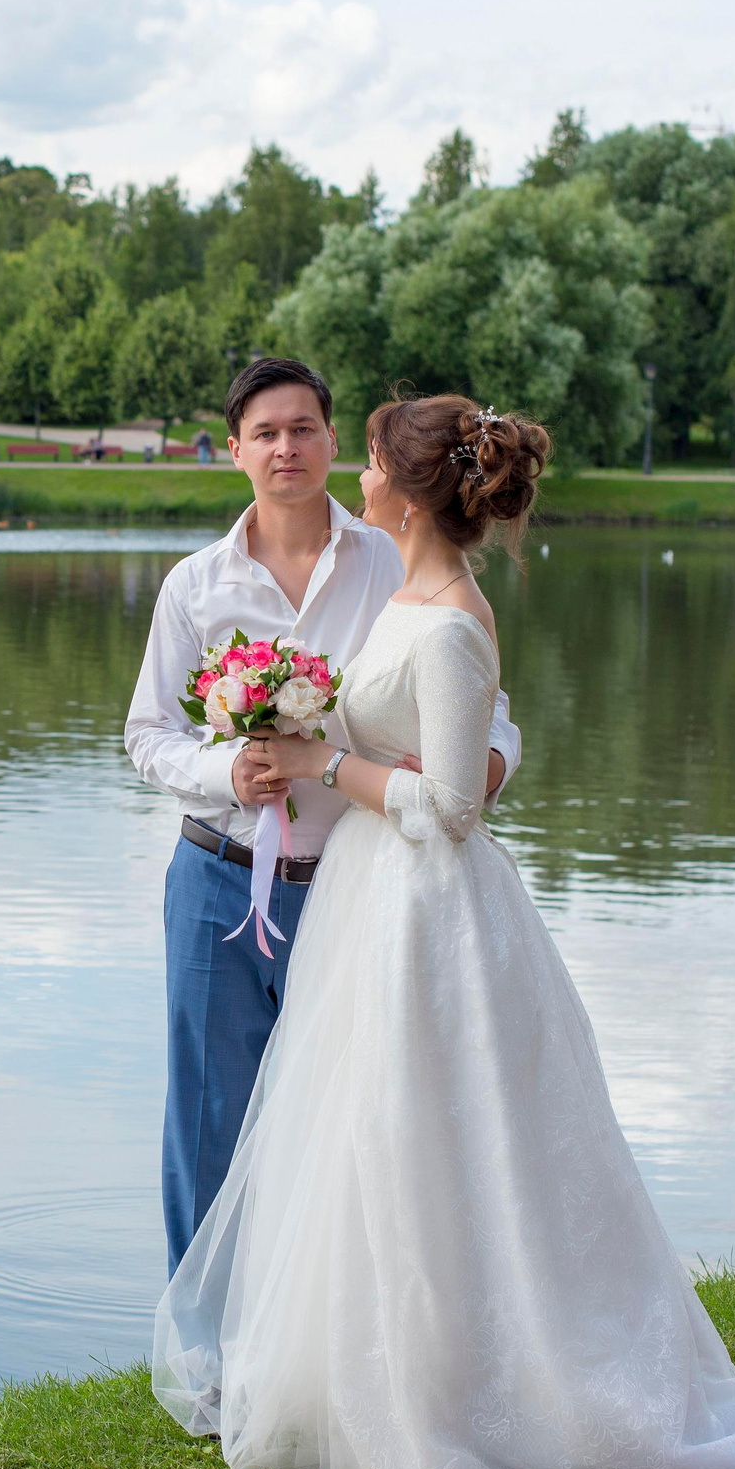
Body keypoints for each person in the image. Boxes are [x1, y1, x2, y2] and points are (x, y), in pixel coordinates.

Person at [151, 394, 735, 1469]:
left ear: (400, 485)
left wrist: (327, 760)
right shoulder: (394, 584)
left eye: (362, 452)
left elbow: (456, 800)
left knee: (433, 1134)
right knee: (359, 1137)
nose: (348, 470)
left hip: (426, 908)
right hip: (364, 899)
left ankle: (474, 1388)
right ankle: (346, 1361)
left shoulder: (448, 612)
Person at [124, 359, 520, 1278]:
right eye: (265, 433)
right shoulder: (194, 584)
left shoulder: (396, 554)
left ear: (334, 443)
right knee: (208, 1119)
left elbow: (490, 709)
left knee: (354, 1123)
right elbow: (148, 736)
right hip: (217, 878)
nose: (286, 447)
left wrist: (480, 775)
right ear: (234, 452)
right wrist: (230, 765)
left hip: (356, 882)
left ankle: (325, 1345)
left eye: (303, 428)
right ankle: (205, 1349)